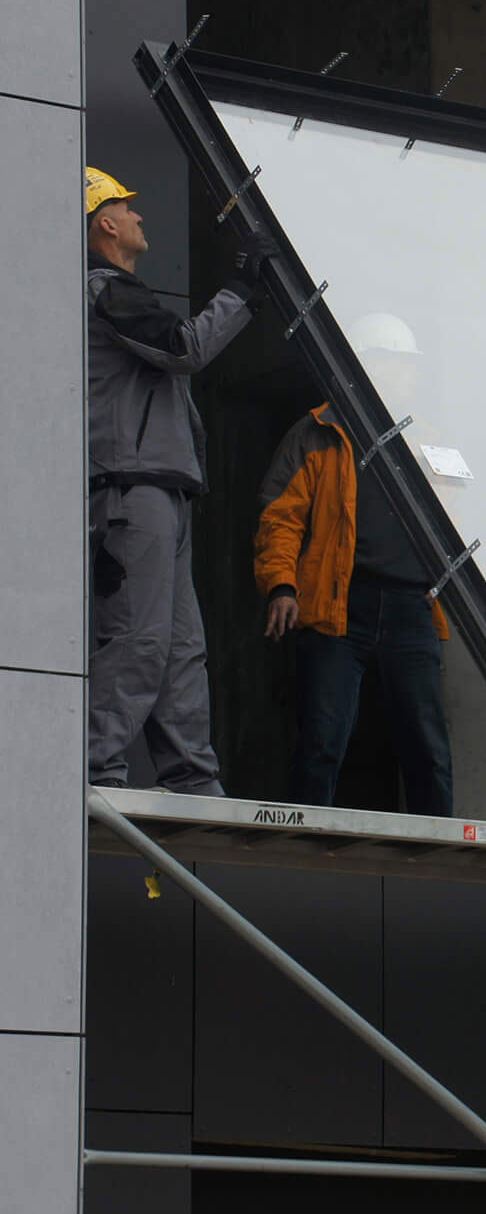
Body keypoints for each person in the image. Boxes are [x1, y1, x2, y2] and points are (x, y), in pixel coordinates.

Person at [86, 166, 273, 795]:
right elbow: (188, 346)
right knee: (140, 641)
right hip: (132, 494)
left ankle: (192, 783)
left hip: (157, 491)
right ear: (105, 223)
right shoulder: (107, 291)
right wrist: (244, 286)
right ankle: (95, 775)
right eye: (126, 207)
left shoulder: (118, 297)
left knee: (180, 651)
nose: (139, 216)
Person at [253, 313, 455, 816]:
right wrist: (282, 585)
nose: (412, 376)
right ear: (372, 366)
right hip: (339, 603)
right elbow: (280, 519)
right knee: (323, 738)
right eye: (403, 365)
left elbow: (459, 522)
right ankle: (302, 838)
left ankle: (438, 850)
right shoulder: (318, 432)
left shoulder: (429, 440)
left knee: (428, 746)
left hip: (414, 607)